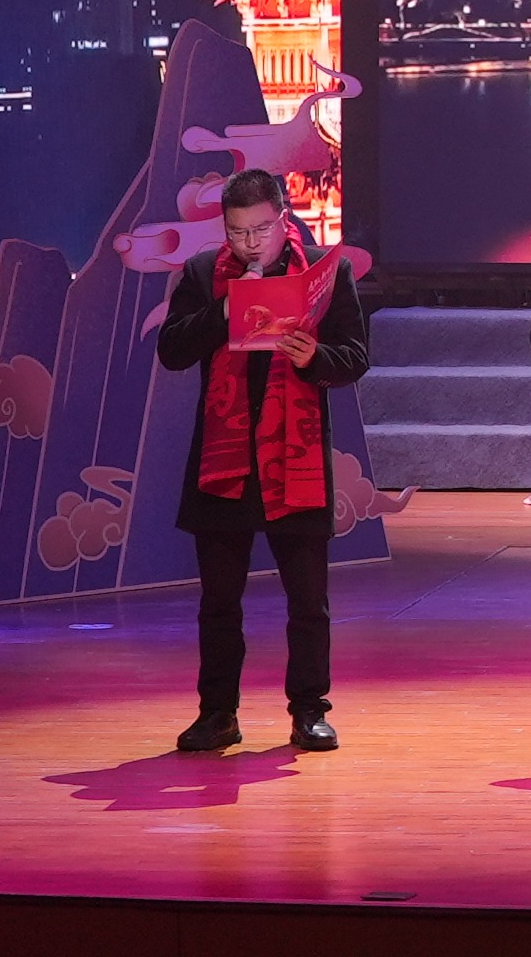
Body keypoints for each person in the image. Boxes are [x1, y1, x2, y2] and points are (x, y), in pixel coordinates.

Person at [157, 168, 367, 754]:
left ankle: (309, 711)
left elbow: (355, 357)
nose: (250, 243)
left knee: (308, 601)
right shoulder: (204, 273)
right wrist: (224, 311)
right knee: (219, 602)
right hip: (224, 461)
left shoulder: (325, 272)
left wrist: (313, 357)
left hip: (294, 459)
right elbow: (172, 350)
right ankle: (217, 713)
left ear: (283, 217)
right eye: (237, 232)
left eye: (260, 230)